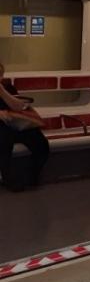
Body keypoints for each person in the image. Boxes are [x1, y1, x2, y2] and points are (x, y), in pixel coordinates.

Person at [0, 62, 49, 191]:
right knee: (4, 139)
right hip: (3, 129)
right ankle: (8, 180)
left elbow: (19, 106)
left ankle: (30, 177)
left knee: (40, 142)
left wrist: (1, 91)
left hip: (15, 124)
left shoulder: (7, 88)